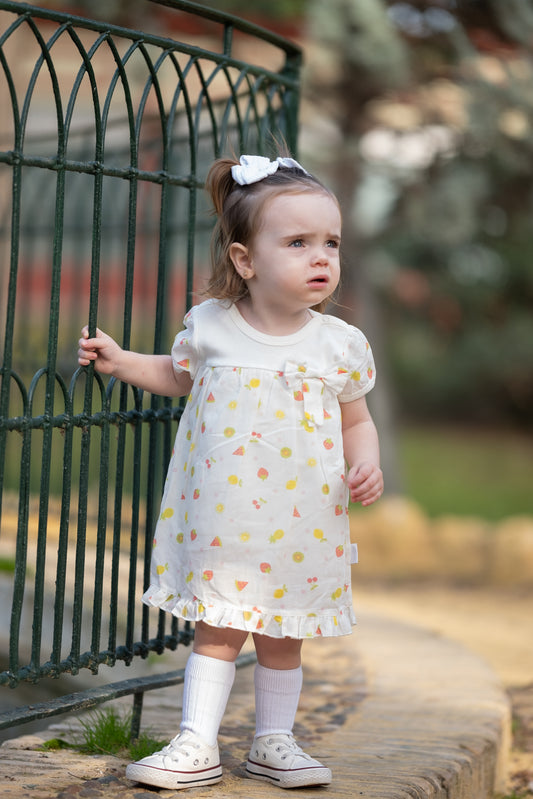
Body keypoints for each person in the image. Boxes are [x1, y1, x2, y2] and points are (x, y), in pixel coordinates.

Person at [78, 153, 383, 791]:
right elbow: (176, 375)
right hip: (223, 517)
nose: (321, 257)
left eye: (330, 242)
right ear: (245, 259)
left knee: (282, 637)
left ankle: (275, 741)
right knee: (218, 629)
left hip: (300, 522)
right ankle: (196, 743)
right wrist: (119, 360)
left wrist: (366, 461)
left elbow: (356, 420)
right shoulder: (212, 325)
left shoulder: (338, 344)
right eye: (298, 243)